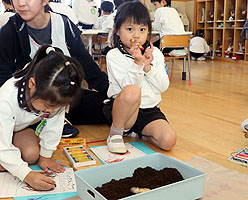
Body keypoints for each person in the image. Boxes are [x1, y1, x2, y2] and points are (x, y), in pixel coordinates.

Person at [0, 0, 109, 137]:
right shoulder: (9, 32)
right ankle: (46, 125)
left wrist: (110, 91)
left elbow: (86, 64)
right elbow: (3, 80)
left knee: (109, 107)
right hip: (30, 107)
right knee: (31, 151)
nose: (21, 3)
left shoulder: (63, 24)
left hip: (63, 99)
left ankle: (58, 121)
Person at [0, 45, 84, 191]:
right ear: (32, 84)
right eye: (47, 106)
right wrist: (27, 175)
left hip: (16, 128)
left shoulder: (51, 93)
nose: (51, 111)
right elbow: (2, 146)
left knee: (32, 155)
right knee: (7, 157)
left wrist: (45, 156)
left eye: (56, 108)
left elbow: (55, 125)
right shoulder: (6, 99)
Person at [105, 1, 176, 153]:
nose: (136, 35)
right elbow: (129, 87)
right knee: (133, 91)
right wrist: (137, 64)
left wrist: (147, 67)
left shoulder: (155, 53)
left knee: (168, 140)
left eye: (142, 29)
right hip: (124, 111)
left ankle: (138, 132)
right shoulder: (114, 55)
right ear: (117, 30)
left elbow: (163, 86)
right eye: (130, 29)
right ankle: (116, 133)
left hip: (148, 109)